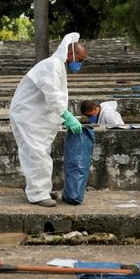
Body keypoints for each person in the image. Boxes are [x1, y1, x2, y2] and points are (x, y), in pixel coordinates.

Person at [9, 33, 87, 207]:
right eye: (79, 60)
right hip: (28, 116)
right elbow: (53, 96)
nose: (79, 64)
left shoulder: (57, 66)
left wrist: (63, 116)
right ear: (70, 55)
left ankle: (41, 188)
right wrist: (66, 115)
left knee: (41, 153)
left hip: (35, 116)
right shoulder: (52, 66)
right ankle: (37, 194)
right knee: (36, 153)